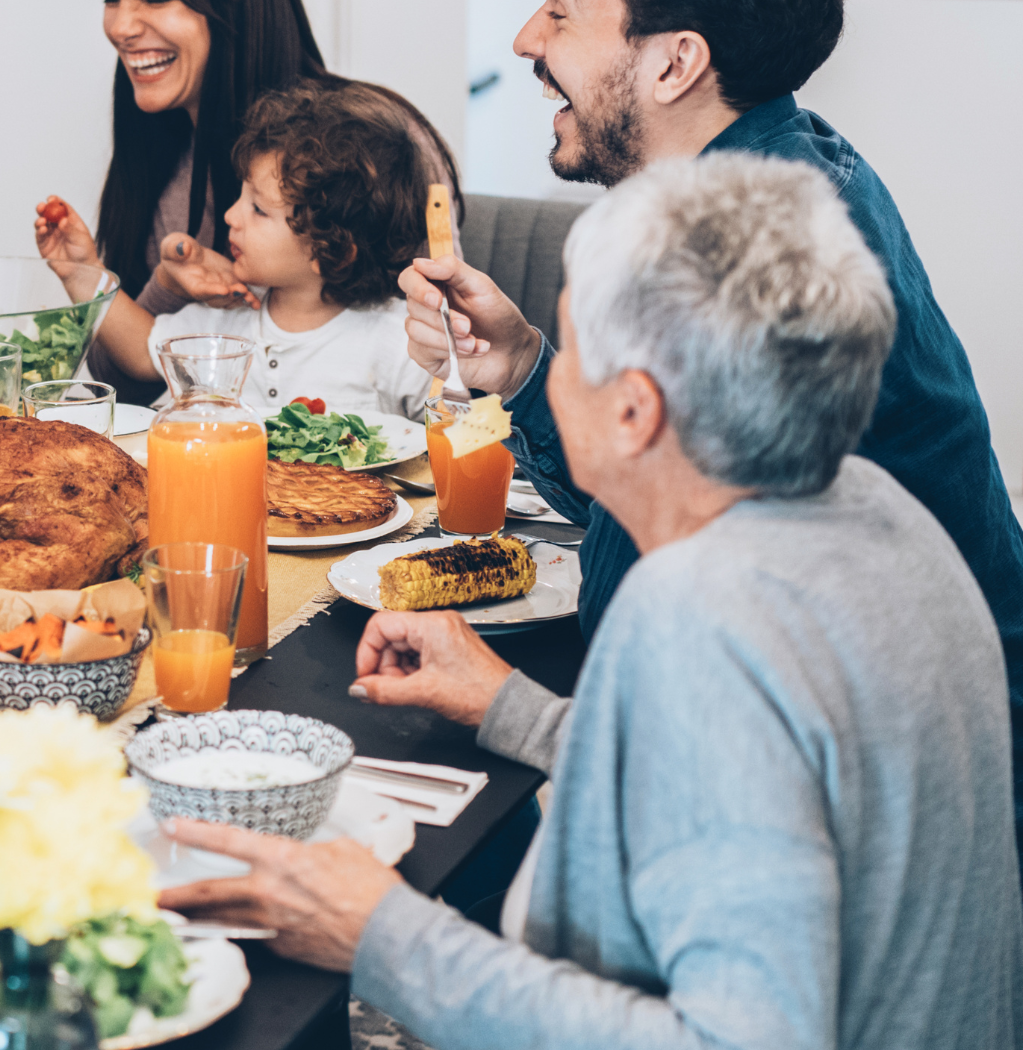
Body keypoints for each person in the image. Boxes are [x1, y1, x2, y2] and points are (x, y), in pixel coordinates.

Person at [162, 154, 1023, 1047]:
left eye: (574, 356)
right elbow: (751, 783)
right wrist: (514, 709)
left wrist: (382, 935)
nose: (555, 381)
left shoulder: (702, 614)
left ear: (635, 413)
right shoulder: (884, 514)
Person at [399, 0, 1023, 836]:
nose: (525, 39)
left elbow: (722, 760)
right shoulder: (772, 179)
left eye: (560, 8)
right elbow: (644, 497)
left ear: (673, 63)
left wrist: (503, 706)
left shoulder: (747, 275)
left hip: (894, 808)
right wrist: (520, 369)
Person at [46, 0, 460, 400]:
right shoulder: (158, 148)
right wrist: (166, 287)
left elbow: (453, 376)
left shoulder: (369, 149)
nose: (121, 26)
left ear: (233, 2)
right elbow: (123, 379)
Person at [41, 80, 434, 416]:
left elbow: (458, 433)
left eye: (258, 209)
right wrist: (81, 270)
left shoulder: (401, 341)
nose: (230, 216)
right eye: (240, 197)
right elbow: (141, 353)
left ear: (331, 248)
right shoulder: (227, 320)